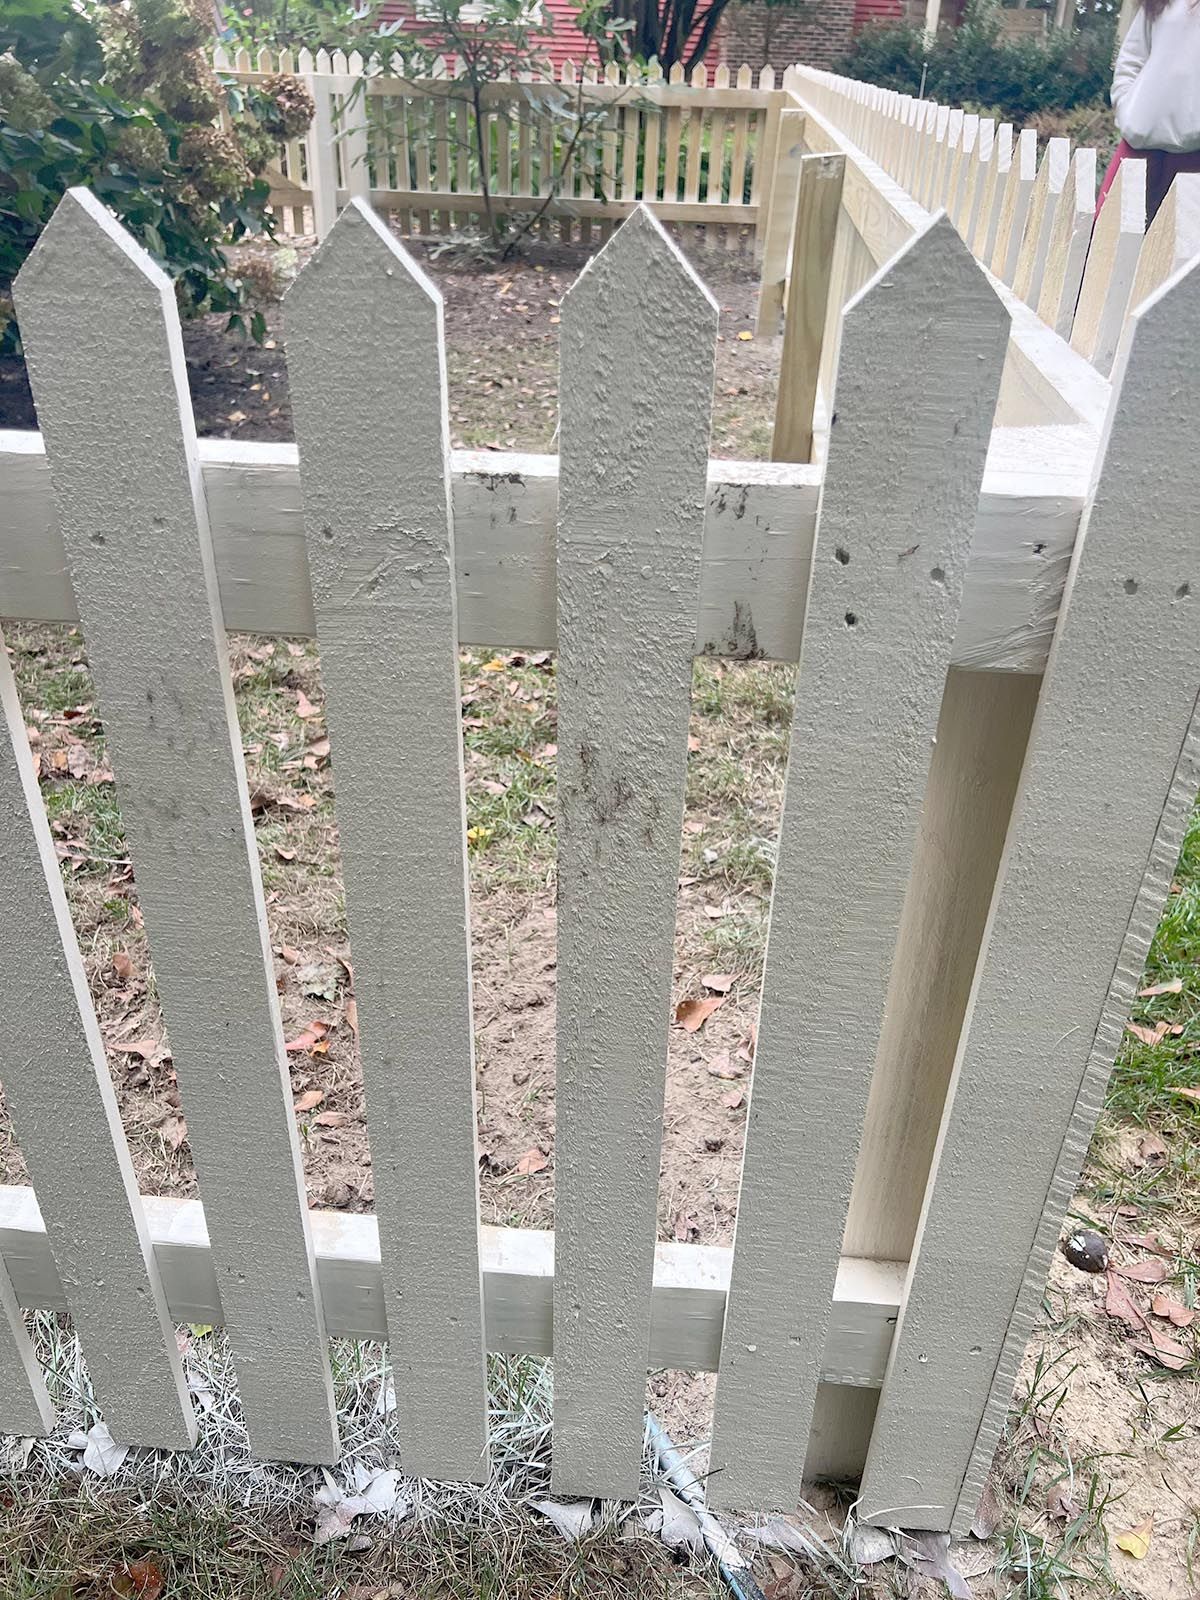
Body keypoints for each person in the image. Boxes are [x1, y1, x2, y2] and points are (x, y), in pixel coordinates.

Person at [1098, 0, 1200, 222]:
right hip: (1139, 143)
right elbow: (1132, 59)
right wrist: (1128, 111)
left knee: (1178, 252)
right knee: (1105, 242)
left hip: (1195, 155)